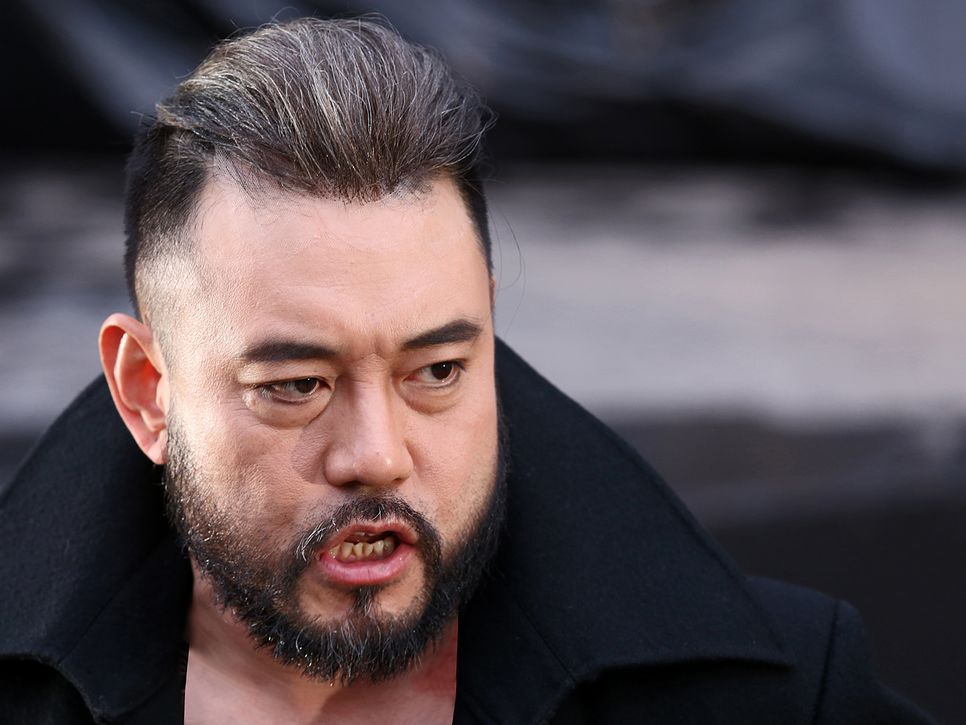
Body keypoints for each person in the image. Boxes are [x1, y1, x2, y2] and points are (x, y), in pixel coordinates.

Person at [0, 16, 935, 725]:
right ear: (147, 392)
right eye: (295, 385)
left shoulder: (766, 699)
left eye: (437, 369)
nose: (377, 455)